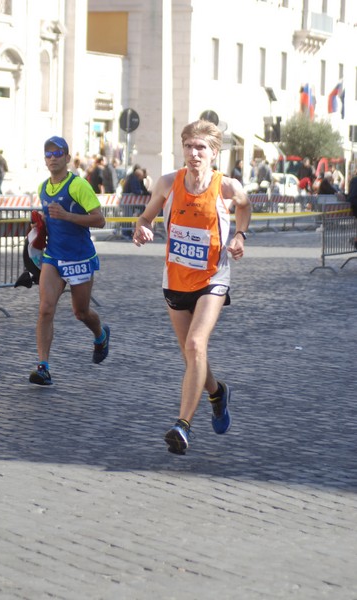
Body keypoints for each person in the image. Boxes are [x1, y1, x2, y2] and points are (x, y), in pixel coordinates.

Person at [132, 119, 251, 455]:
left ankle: (182, 425)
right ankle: (216, 392)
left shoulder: (226, 186)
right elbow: (145, 217)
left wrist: (240, 235)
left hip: (213, 277)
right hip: (176, 279)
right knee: (191, 353)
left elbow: (244, 206)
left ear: (214, 152)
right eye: (188, 146)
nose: (194, 153)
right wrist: (141, 228)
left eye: (201, 147)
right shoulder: (169, 183)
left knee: (197, 343)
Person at [29, 136, 110, 386]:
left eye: (58, 153)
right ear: (45, 159)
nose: (52, 157)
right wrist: (38, 227)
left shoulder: (78, 186)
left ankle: (100, 334)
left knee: (81, 312)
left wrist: (67, 216)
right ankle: (43, 367)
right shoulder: (43, 188)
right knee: (45, 309)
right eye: (48, 153)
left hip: (80, 257)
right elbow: (51, 221)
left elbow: (100, 220)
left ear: (67, 157)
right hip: (53, 257)